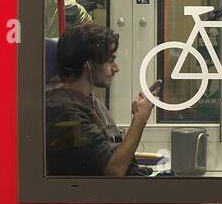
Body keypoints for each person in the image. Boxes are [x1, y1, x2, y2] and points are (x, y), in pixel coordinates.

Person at [45, 24, 157, 177]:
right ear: (88, 64)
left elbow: (113, 150)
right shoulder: (63, 111)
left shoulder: (90, 103)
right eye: (110, 61)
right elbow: (114, 170)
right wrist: (139, 119)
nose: (116, 68)